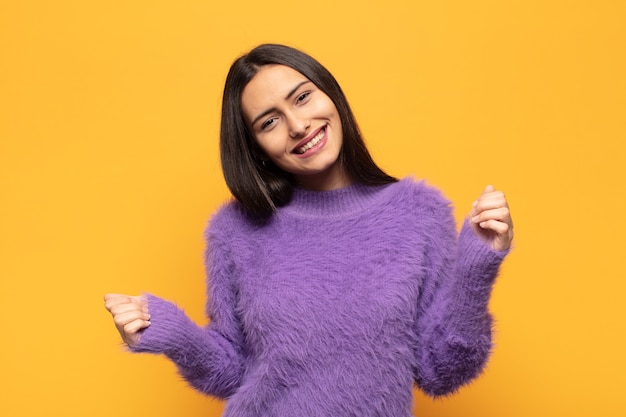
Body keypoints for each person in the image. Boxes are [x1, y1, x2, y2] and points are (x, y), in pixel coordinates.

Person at [104, 43, 513, 417]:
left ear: (330, 94)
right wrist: (173, 333)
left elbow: (441, 370)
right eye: (269, 122)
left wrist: (478, 265)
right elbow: (231, 371)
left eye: (302, 97)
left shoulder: (420, 214)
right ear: (256, 148)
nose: (298, 125)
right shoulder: (234, 231)